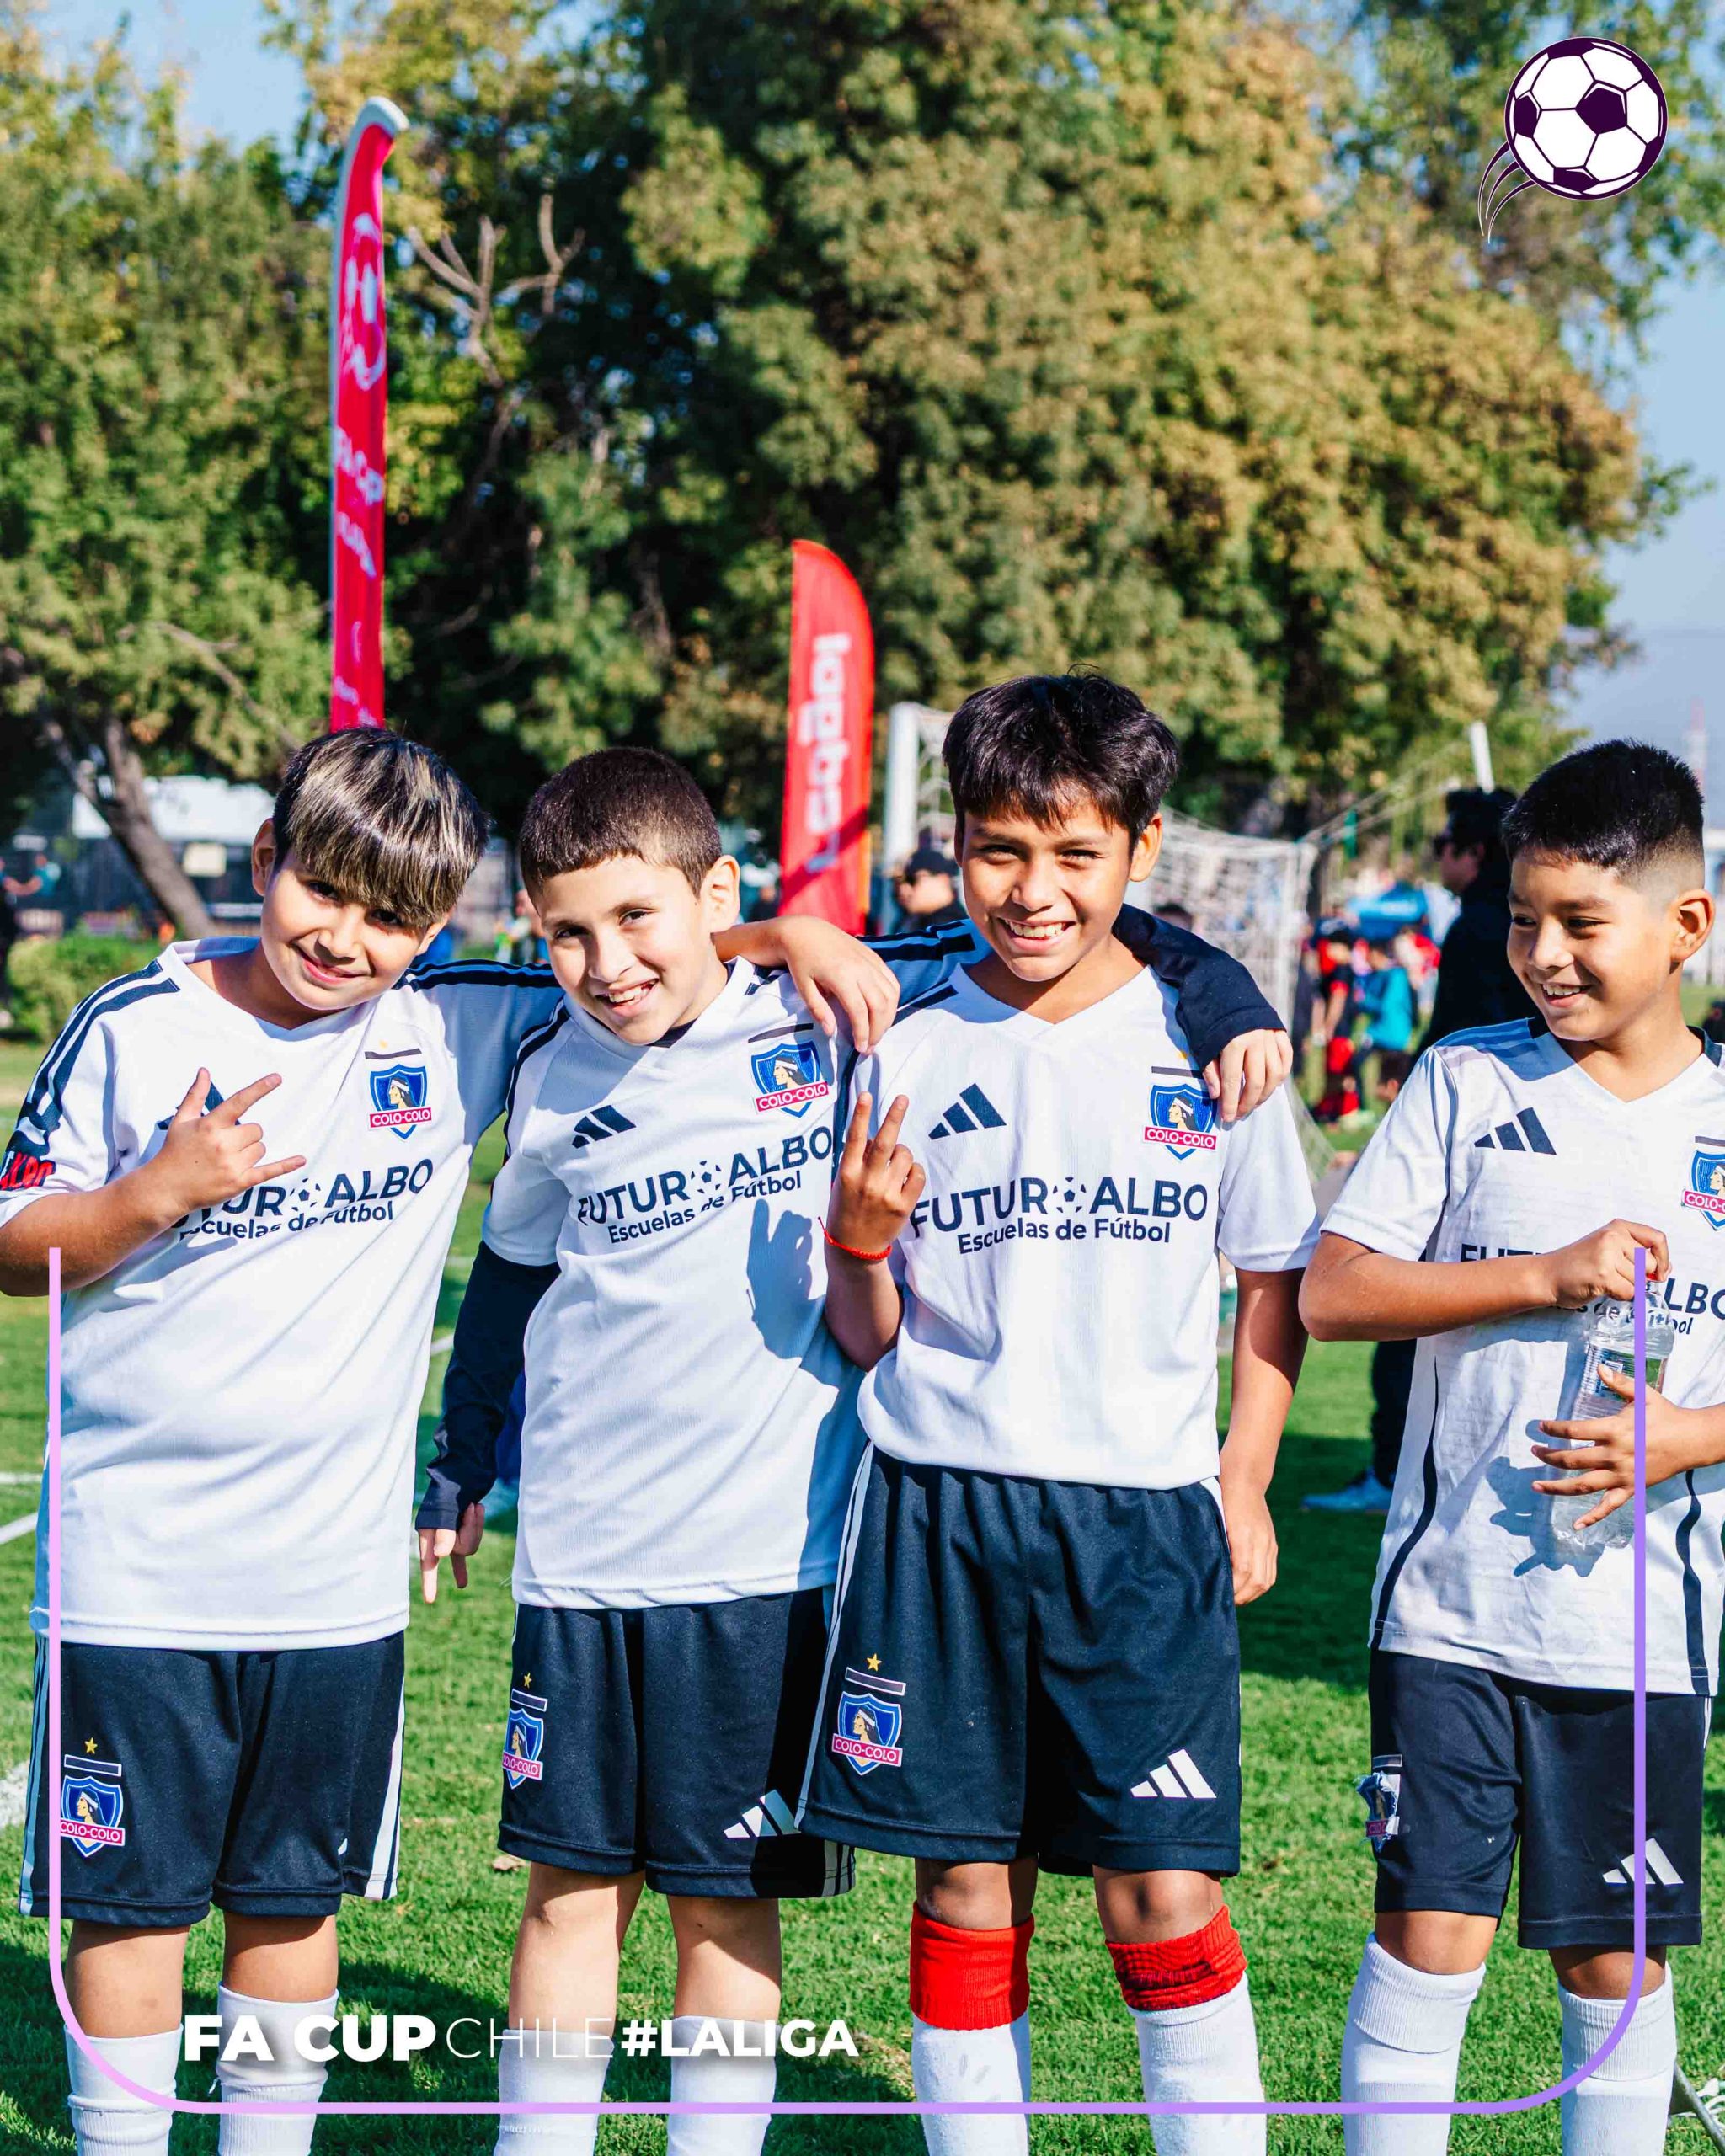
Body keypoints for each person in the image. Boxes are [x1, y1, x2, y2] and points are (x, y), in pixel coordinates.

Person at [0, 729, 889, 2156]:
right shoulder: (135, 1026)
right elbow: (13, 1239)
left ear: (438, 930)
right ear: (267, 858)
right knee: (129, 1908)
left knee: (292, 1903)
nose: (345, 940)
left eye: (393, 918)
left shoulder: (462, 1018)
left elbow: (636, 959)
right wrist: (151, 1194)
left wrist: (783, 932)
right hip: (134, 1570)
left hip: (332, 1586)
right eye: (321, 891)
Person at [416, 744, 1295, 2156]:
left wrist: (1228, 990)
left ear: (714, 895)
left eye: (637, 920)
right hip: (585, 1556)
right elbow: (511, 1268)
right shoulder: (554, 1057)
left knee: (736, 1907)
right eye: (570, 932)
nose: (607, 961)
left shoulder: (834, 1017)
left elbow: (1075, 918)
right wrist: (462, 1458)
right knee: (573, 1898)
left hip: (776, 1563)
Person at [795, 674, 1320, 2155]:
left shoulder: (1213, 1047)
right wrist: (856, 1244)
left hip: (1142, 1527)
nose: (1032, 892)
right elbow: (866, 1334)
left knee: (1161, 1888)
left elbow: (1272, 1279)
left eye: (1075, 854)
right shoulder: (901, 1037)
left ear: (1141, 850)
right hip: (938, 1514)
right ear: (957, 844)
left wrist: (1244, 1477)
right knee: (965, 1884)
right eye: (998, 851)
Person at [1301, 739, 1725, 2156]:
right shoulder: (1466, 1084)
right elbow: (1334, 1291)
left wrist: (1685, 1437)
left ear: (1686, 923)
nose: (1541, 955)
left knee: (1611, 1962)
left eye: (1579, 923)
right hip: (1450, 1613)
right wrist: (1540, 1276)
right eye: (1523, 919)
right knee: (1426, 1935)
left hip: (1637, 1633)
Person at [1307, 787, 1529, 1516]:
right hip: (1505, 1148)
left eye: (1444, 847)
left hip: (1470, 1147)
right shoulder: (1493, 925)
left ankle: (1391, 1469)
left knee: (1404, 1311)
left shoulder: (1478, 928)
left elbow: (1456, 1042)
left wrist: (1411, 1125)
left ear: (1472, 852)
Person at [1356, 937, 1417, 1101]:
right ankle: (1361, 1104)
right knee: (1359, 1066)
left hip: (1393, 1037)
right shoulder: (1376, 976)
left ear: (1377, 953)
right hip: (1379, 1033)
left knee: (1391, 1084)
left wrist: (1362, 1001)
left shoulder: (1396, 976)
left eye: (1368, 954)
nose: (1366, 959)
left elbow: (1386, 1006)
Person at [895, 841, 966, 928]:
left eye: (912, 880)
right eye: (896, 883)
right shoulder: (910, 922)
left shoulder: (952, 929)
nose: (903, 890)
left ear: (943, 879)